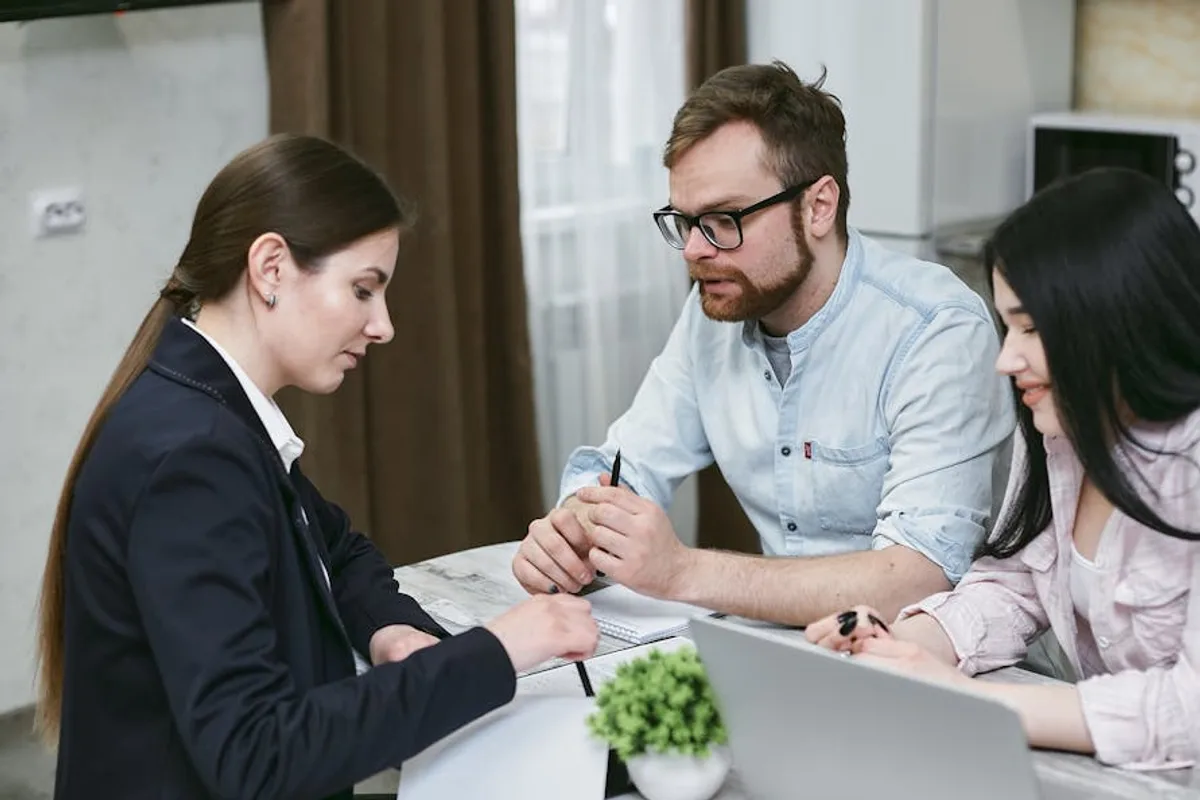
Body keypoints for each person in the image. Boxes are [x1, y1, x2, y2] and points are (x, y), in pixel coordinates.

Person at [36, 133, 598, 800]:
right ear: (271, 268)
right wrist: (499, 651)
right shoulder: (195, 457)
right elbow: (259, 756)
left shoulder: (209, 407)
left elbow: (333, 546)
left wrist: (388, 628)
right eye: (363, 290)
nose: (383, 325)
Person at [511, 61, 1014, 625]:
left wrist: (681, 572)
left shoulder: (935, 330)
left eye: (724, 219)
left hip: (940, 664)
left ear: (818, 206)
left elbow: (920, 575)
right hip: (788, 654)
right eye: (684, 221)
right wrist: (578, 524)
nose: (694, 251)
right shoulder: (716, 312)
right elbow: (628, 464)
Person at [806, 167, 1200, 769]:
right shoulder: (1063, 432)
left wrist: (973, 701)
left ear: (1116, 318)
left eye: (1031, 329)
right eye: (1006, 325)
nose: (1005, 359)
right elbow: (1013, 587)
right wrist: (900, 646)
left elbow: (1187, 710)